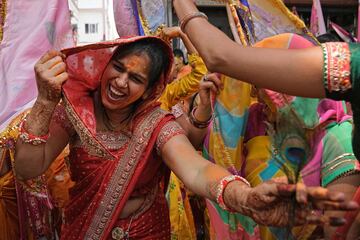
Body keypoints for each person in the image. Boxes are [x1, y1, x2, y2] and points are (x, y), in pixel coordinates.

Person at [14, 36, 358, 239]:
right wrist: (45, 100)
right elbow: (29, 169)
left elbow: (195, 170)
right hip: (82, 228)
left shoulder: (156, 123)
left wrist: (245, 197)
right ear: (104, 65)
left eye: (136, 79)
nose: (121, 83)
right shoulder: (74, 112)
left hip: (146, 231)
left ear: (151, 89)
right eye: (118, 69)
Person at [173, 0, 360, 161]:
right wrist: (204, 110)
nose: (253, 91)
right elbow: (209, 149)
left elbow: (220, 56)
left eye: (261, 79)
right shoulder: (253, 119)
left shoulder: (334, 134)